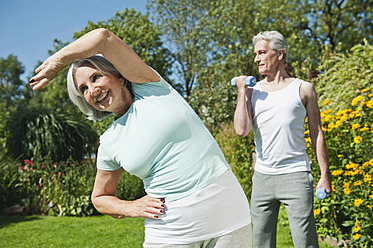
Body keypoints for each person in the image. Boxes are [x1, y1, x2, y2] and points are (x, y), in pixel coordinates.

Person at [30, 28, 252, 248]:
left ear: (119, 76)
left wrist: (58, 61)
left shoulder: (152, 88)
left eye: (96, 77)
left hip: (228, 214)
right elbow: (100, 198)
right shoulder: (109, 141)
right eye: (84, 89)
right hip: (170, 230)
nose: (93, 90)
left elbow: (103, 38)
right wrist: (129, 207)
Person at [233, 30, 331, 248]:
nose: (256, 59)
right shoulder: (253, 91)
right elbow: (241, 130)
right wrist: (242, 92)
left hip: (295, 175)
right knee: (260, 243)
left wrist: (325, 175)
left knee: (305, 242)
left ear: (279, 54)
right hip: (263, 177)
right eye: (255, 54)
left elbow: (317, 133)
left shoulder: (304, 89)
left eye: (261, 52)